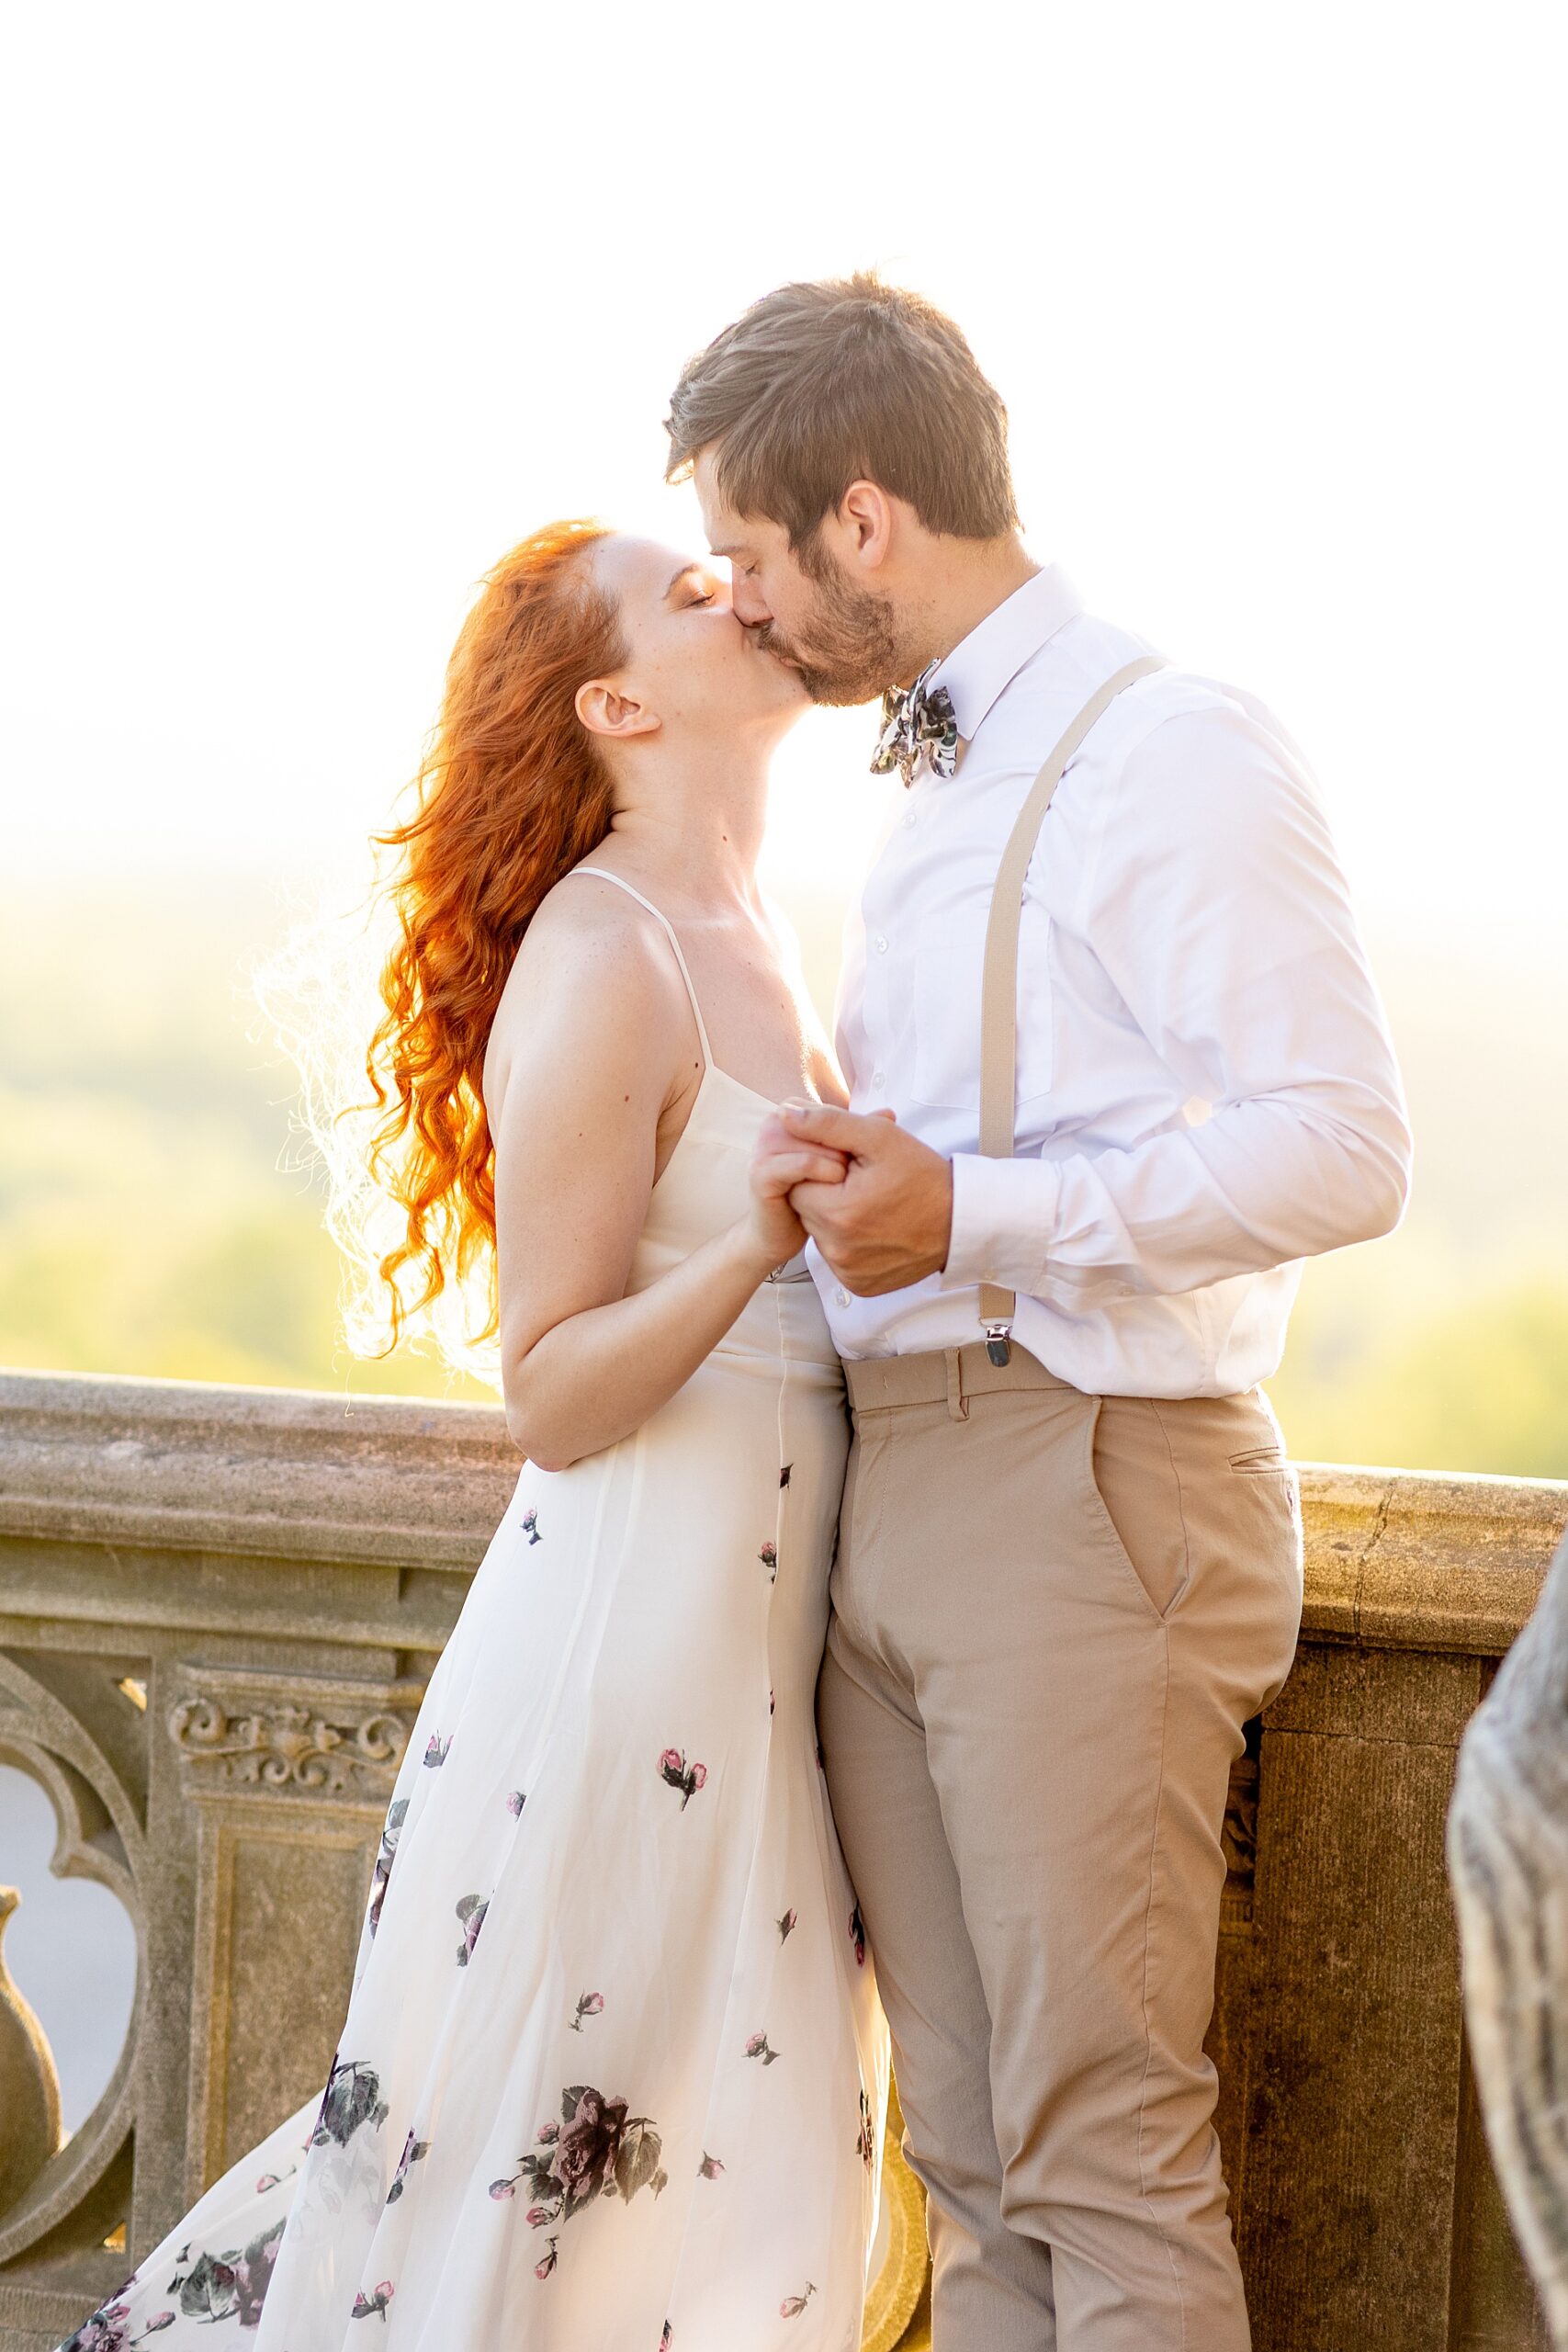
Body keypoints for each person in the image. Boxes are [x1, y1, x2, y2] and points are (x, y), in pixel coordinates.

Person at [667, 273, 1414, 2351]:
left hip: (1079, 1483)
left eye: (747, 557)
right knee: (970, 2173)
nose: (737, 606)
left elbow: (1342, 1145)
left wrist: (971, 1208)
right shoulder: (926, 779)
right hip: (895, 1494)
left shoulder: (1165, 741)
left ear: (864, 522)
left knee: (1103, 2155)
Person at [54, 520, 888, 2352]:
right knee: (499, 2209)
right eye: (691, 589)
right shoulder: (612, 953)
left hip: (743, 1710)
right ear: (614, 704)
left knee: (689, 2236)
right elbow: (550, 1388)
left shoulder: (758, 928)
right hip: (605, 1708)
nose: (739, 586)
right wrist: (751, 1239)